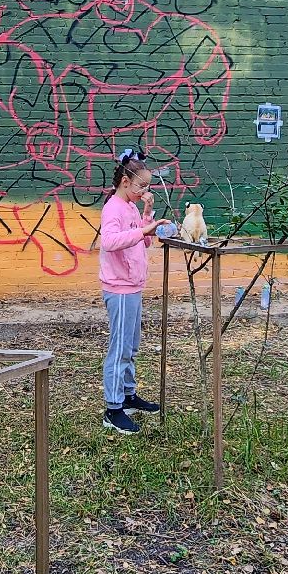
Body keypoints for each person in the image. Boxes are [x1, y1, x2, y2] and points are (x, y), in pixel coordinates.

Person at [98, 150, 162, 435]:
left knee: (131, 345)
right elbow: (111, 241)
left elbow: (142, 243)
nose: (144, 191)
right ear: (125, 181)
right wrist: (144, 229)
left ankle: (128, 395)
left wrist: (147, 217)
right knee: (120, 347)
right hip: (119, 288)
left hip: (134, 286)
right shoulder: (113, 208)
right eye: (141, 186)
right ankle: (113, 409)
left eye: (147, 187)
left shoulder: (133, 209)